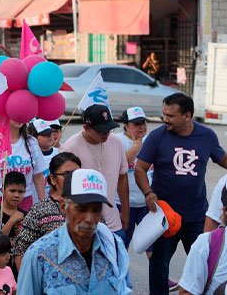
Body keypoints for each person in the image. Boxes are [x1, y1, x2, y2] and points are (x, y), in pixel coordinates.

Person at [135, 93, 227, 295]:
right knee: (159, 267)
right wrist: (148, 192)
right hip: (165, 218)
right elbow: (140, 168)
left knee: (205, 263)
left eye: (170, 115)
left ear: (187, 116)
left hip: (196, 216)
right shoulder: (157, 136)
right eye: (164, 114)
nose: (165, 119)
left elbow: (222, 158)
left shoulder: (206, 136)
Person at [17, 168, 132, 294]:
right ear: (63, 207)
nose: (89, 219)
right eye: (81, 209)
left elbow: (125, 288)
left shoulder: (113, 248)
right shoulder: (39, 257)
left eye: (96, 210)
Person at [61, 104, 129, 242]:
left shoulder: (116, 142)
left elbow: (123, 177)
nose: (106, 134)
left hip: (113, 224)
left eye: (109, 130)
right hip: (84, 225)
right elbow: (63, 189)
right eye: (101, 131)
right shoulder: (70, 147)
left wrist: (126, 212)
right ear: (86, 127)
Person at [12, 152, 81, 270]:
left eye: (77, 174)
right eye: (67, 174)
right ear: (53, 179)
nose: (73, 178)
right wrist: (27, 283)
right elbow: (21, 249)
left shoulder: (89, 206)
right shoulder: (40, 210)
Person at [0, 120, 47, 212]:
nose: (18, 118)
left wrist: (43, 204)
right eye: (14, 114)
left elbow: (38, 176)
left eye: (21, 114)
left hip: (24, 199)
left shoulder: (31, 142)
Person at [115, 106, 152, 251]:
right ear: (126, 125)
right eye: (137, 124)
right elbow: (119, 166)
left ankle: (158, 275)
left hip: (146, 203)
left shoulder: (150, 140)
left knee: (152, 246)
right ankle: (120, 274)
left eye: (143, 123)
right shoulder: (117, 140)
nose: (142, 127)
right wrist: (136, 147)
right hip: (123, 204)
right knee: (121, 245)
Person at [30, 118, 59, 199]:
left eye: (50, 133)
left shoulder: (60, 152)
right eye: (45, 134)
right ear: (34, 138)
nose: (50, 136)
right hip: (34, 201)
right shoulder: (29, 156)